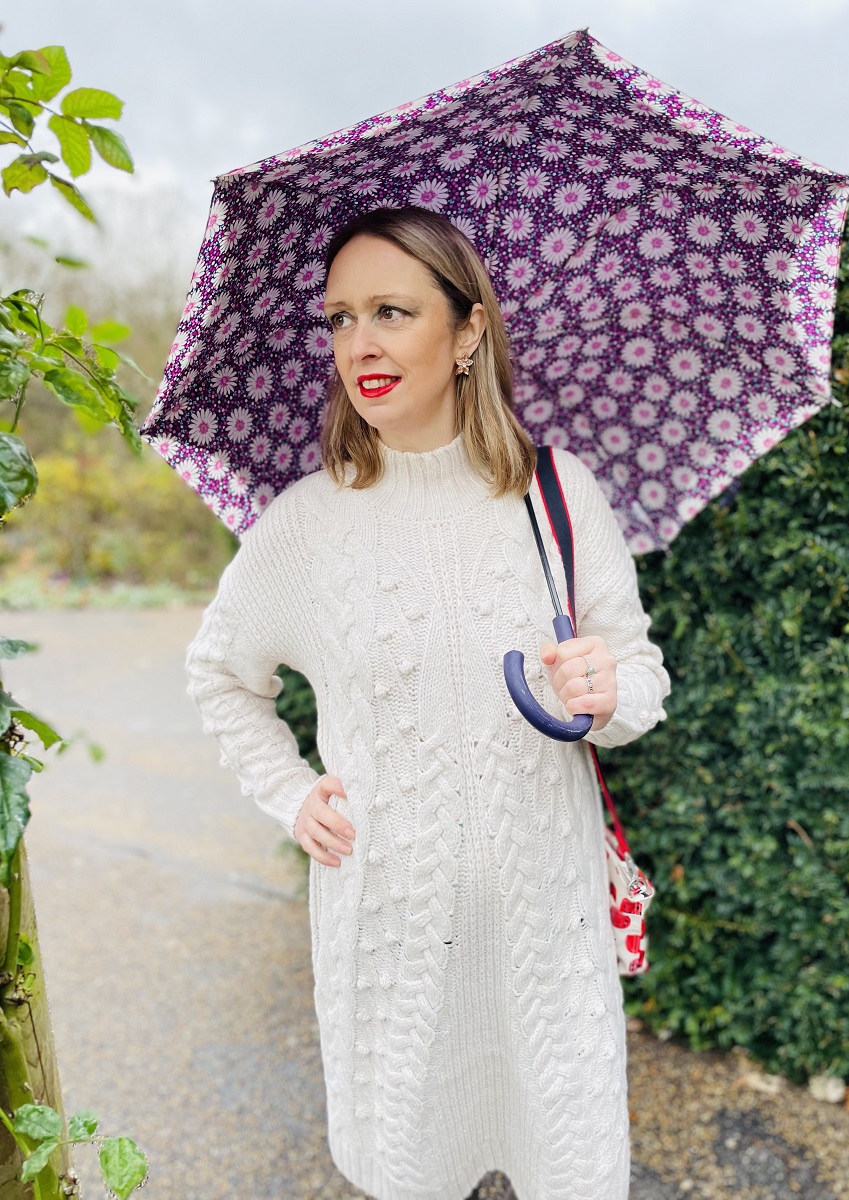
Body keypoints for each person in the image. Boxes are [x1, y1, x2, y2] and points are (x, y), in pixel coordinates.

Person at [184, 205, 671, 1200]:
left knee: (570, 1171)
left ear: (468, 332)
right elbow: (221, 677)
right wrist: (292, 793)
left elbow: (641, 679)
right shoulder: (306, 526)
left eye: (391, 311)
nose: (358, 343)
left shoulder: (558, 495)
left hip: (550, 932)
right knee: (411, 1171)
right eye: (338, 318)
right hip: (393, 942)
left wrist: (609, 688)